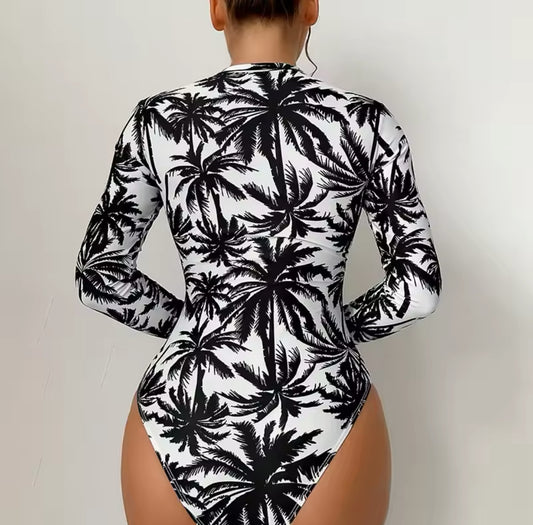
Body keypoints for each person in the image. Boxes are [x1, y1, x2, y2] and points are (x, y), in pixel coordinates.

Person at [75, 1, 442, 523]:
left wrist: (193, 323)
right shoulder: (365, 123)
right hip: (324, 413)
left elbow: (99, 276)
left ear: (217, 9)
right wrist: (329, 327)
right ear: (310, 7)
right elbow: (417, 290)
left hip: (180, 412)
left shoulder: (158, 121)